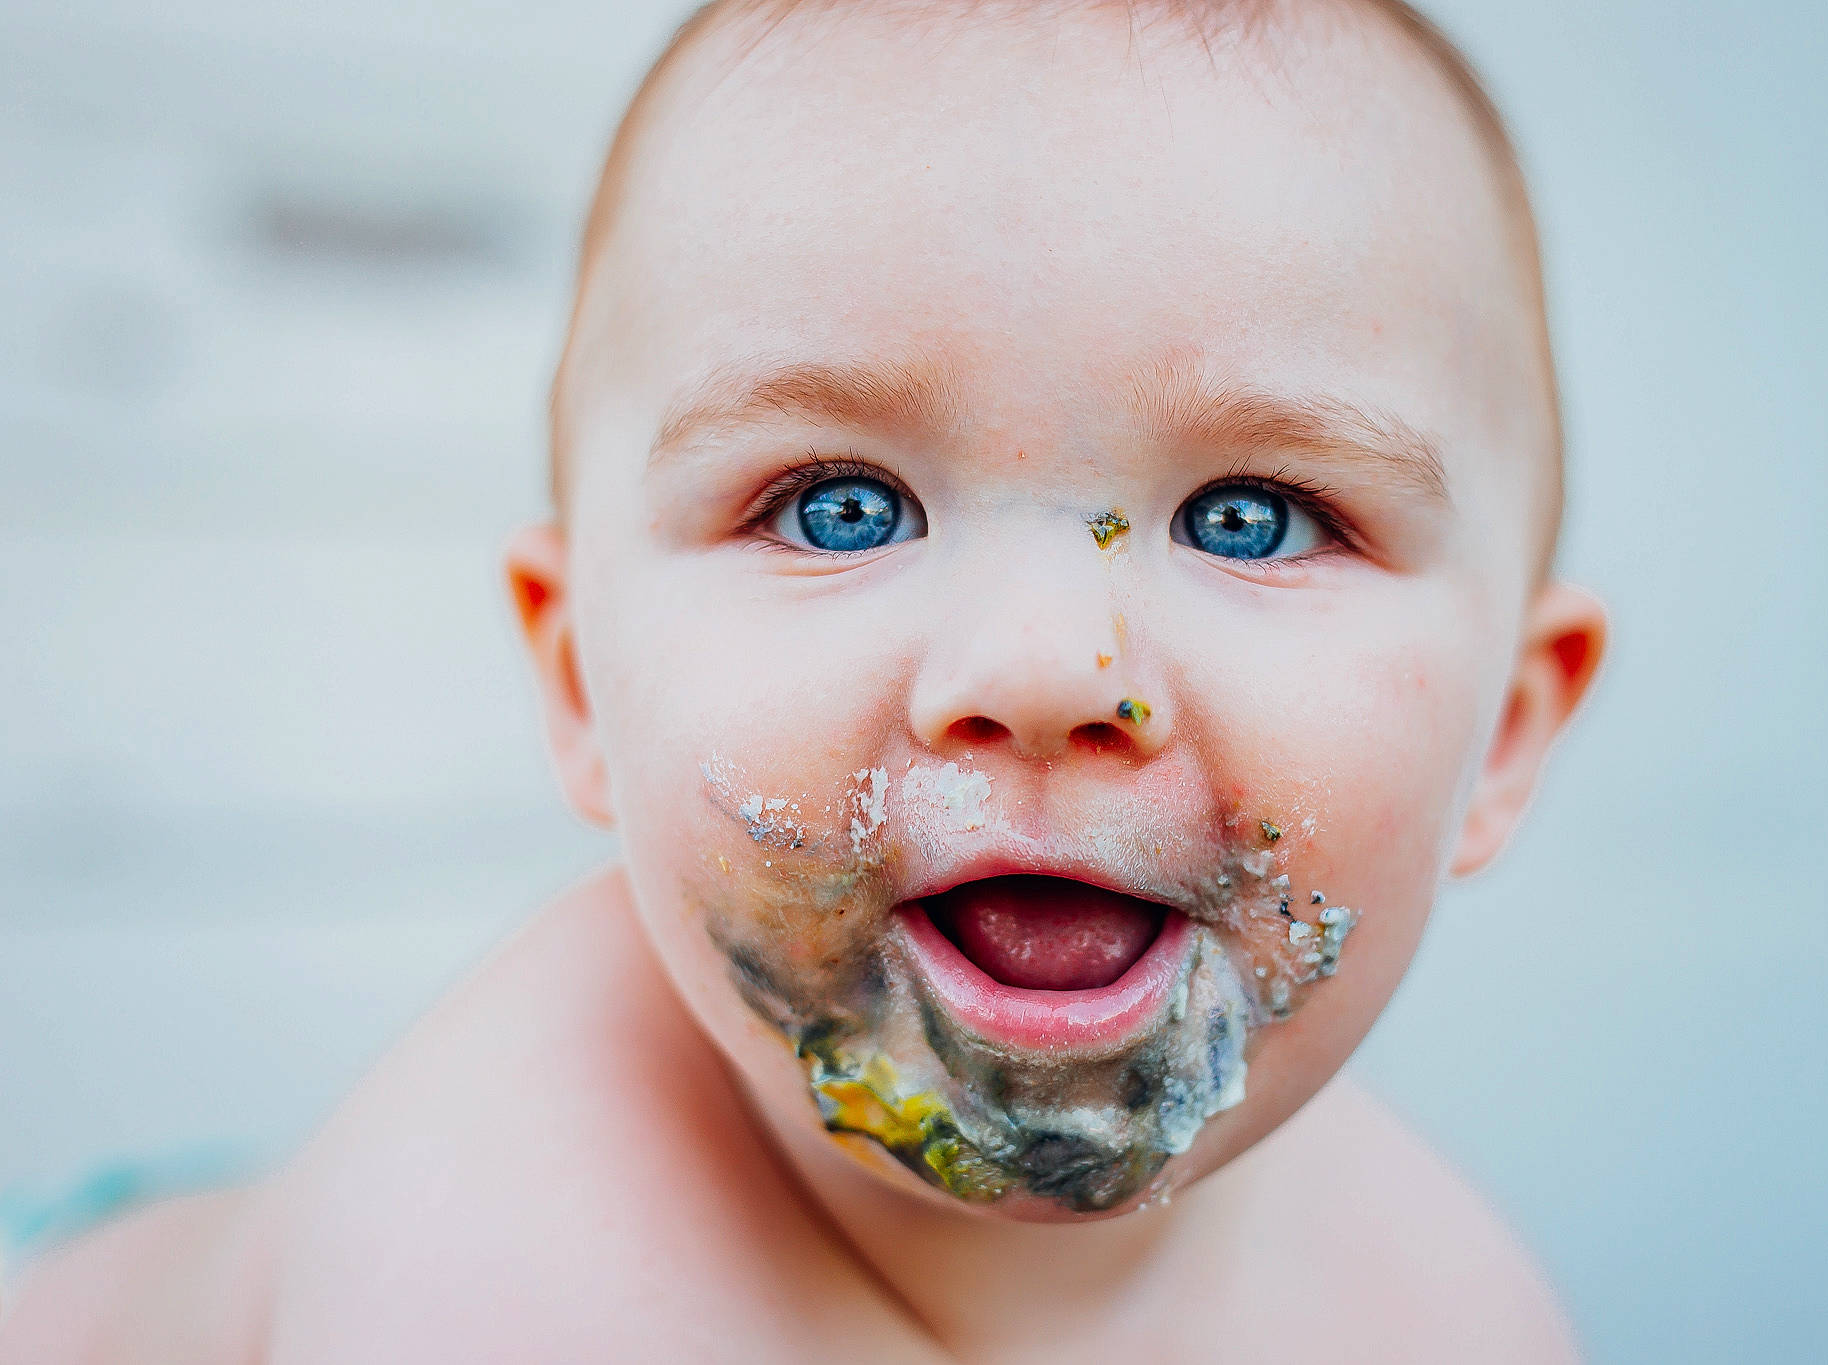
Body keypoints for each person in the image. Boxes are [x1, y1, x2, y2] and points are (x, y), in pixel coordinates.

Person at [0, 0, 1607, 1357]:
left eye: (1250, 518)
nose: (1048, 667)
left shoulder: (1439, 1295)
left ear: (1510, 735)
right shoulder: (501, 1280)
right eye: (843, 507)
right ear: (579, 685)